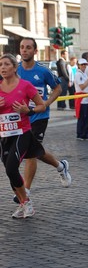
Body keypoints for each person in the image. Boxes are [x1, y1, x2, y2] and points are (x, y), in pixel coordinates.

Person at [16, 37, 71, 199]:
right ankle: (61, 166)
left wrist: (46, 103)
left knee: (29, 153)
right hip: (20, 117)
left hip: (39, 116)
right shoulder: (15, 70)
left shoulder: (43, 71)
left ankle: (25, 191)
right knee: (36, 151)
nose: (24, 50)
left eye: (28, 47)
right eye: (22, 47)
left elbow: (58, 88)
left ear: (34, 51)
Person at [0, 53, 47, 218]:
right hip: (4, 135)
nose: (3, 68)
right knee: (10, 171)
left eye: (6, 64)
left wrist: (29, 110)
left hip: (22, 132)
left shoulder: (25, 85)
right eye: (1, 65)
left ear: (14, 67)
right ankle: (23, 202)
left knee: (12, 167)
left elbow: (42, 105)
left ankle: (27, 203)